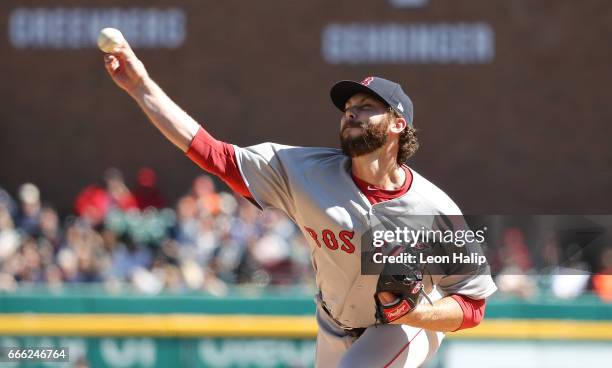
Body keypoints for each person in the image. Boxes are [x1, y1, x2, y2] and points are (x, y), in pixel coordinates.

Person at [102, 40, 497, 367]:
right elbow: (213, 154)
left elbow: (472, 305)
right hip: (332, 321)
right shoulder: (304, 172)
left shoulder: (432, 207)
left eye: (365, 107)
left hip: (403, 328)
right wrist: (141, 87)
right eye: (347, 109)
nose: (350, 114)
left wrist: (414, 314)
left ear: (398, 125)